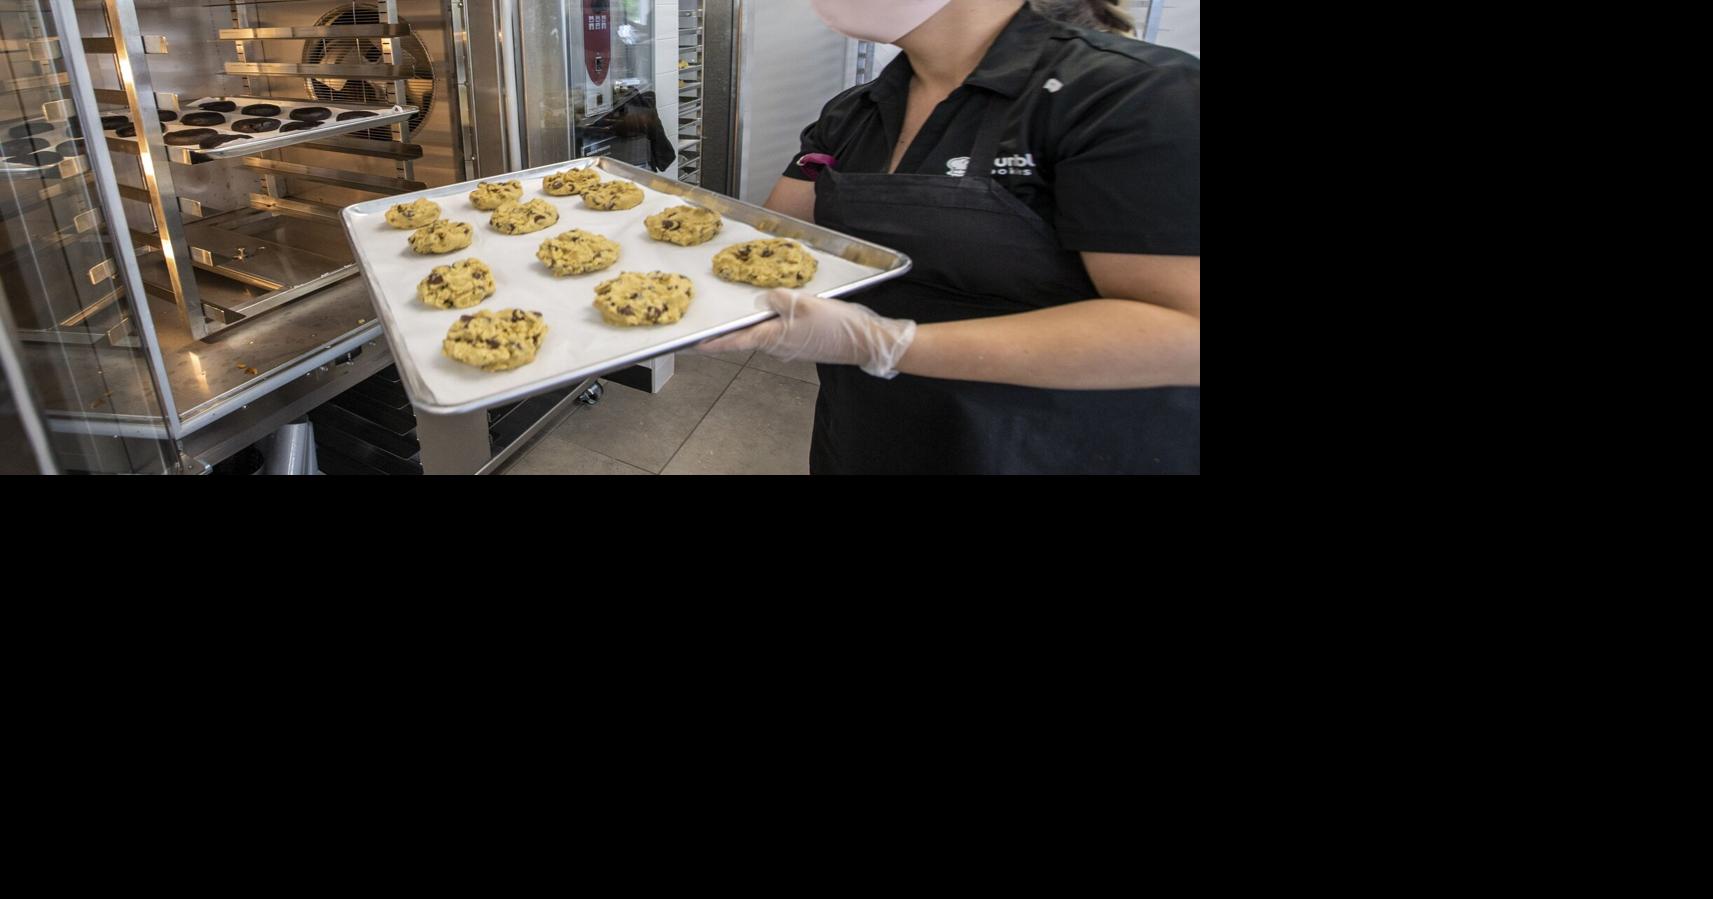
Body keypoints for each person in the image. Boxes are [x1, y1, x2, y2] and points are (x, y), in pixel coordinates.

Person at [698, 0, 1200, 474]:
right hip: (867, 429)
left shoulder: (1131, 95)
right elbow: (771, 240)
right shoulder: (855, 111)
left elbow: (1184, 332)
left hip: (1048, 447)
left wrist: (887, 344)